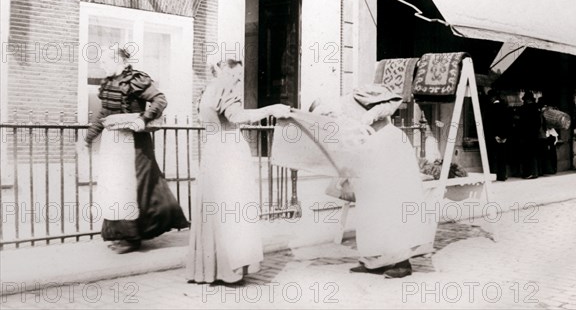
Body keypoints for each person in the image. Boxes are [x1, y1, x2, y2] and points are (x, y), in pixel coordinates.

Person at [310, 84, 431, 279]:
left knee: (393, 204)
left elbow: (391, 102)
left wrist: (369, 117)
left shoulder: (357, 96)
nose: (328, 116)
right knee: (370, 209)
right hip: (370, 148)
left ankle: (402, 262)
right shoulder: (338, 118)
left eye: (326, 112)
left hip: (388, 143)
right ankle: (373, 261)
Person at [186, 59, 291, 285]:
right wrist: (272, 109)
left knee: (215, 208)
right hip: (229, 152)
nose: (239, 79)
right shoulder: (224, 87)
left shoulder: (207, 91)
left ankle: (210, 269)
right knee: (233, 208)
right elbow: (237, 117)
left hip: (212, 149)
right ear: (224, 70)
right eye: (237, 74)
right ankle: (230, 270)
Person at [84, 47, 189, 254]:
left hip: (134, 143)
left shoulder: (135, 79)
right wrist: (88, 138)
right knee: (113, 186)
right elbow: (104, 114)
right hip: (112, 142)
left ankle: (133, 238)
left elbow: (160, 99)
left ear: (117, 60)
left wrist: (143, 119)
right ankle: (121, 234)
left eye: (105, 61)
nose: (101, 65)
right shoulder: (109, 82)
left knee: (132, 187)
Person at [484, 90, 511, 181]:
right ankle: (502, 175)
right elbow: (508, 123)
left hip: (493, 136)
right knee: (502, 157)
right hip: (503, 137)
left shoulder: (489, 108)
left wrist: (495, 136)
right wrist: (505, 136)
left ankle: (492, 175)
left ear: (493, 98)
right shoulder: (505, 108)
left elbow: (489, 124)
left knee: (492, 157)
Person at [517, 91, 544, 179]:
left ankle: (529, 173)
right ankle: (536, 172)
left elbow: (520, 121)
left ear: (526, 100)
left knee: (527, 154)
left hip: (526, 134)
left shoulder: (524, 109)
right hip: (535, 134)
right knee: (534, 154)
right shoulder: (537, 108)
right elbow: (538, 123)